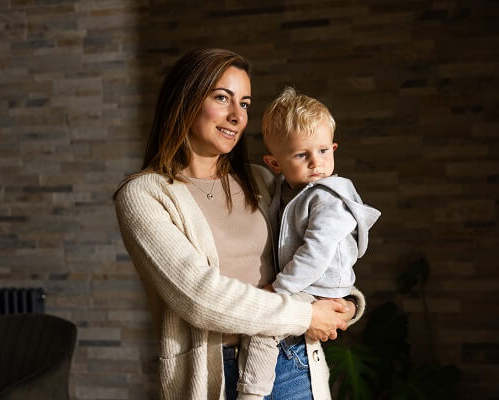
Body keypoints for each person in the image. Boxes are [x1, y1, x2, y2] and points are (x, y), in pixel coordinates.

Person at [114, 48, 365, 400]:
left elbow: (314, 246)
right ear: (184, 100)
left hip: (294, 362)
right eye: (222, 98)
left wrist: (344, 304)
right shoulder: (145, 195)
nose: (237, 116)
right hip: (216, 374)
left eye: (245, 104)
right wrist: (304, 315)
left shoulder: (262, 181)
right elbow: (200, 298)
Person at [235, 88, 381, 399]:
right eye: (302, 155)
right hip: (309, 284)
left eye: (324, 151)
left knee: (264, 329)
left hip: (317, 284)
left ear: (334, 148)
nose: (317, 163)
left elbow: (316, 252)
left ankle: (250, 394)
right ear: (275, 164)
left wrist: (279, 289)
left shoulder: (327, 197)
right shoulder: (285, 189)